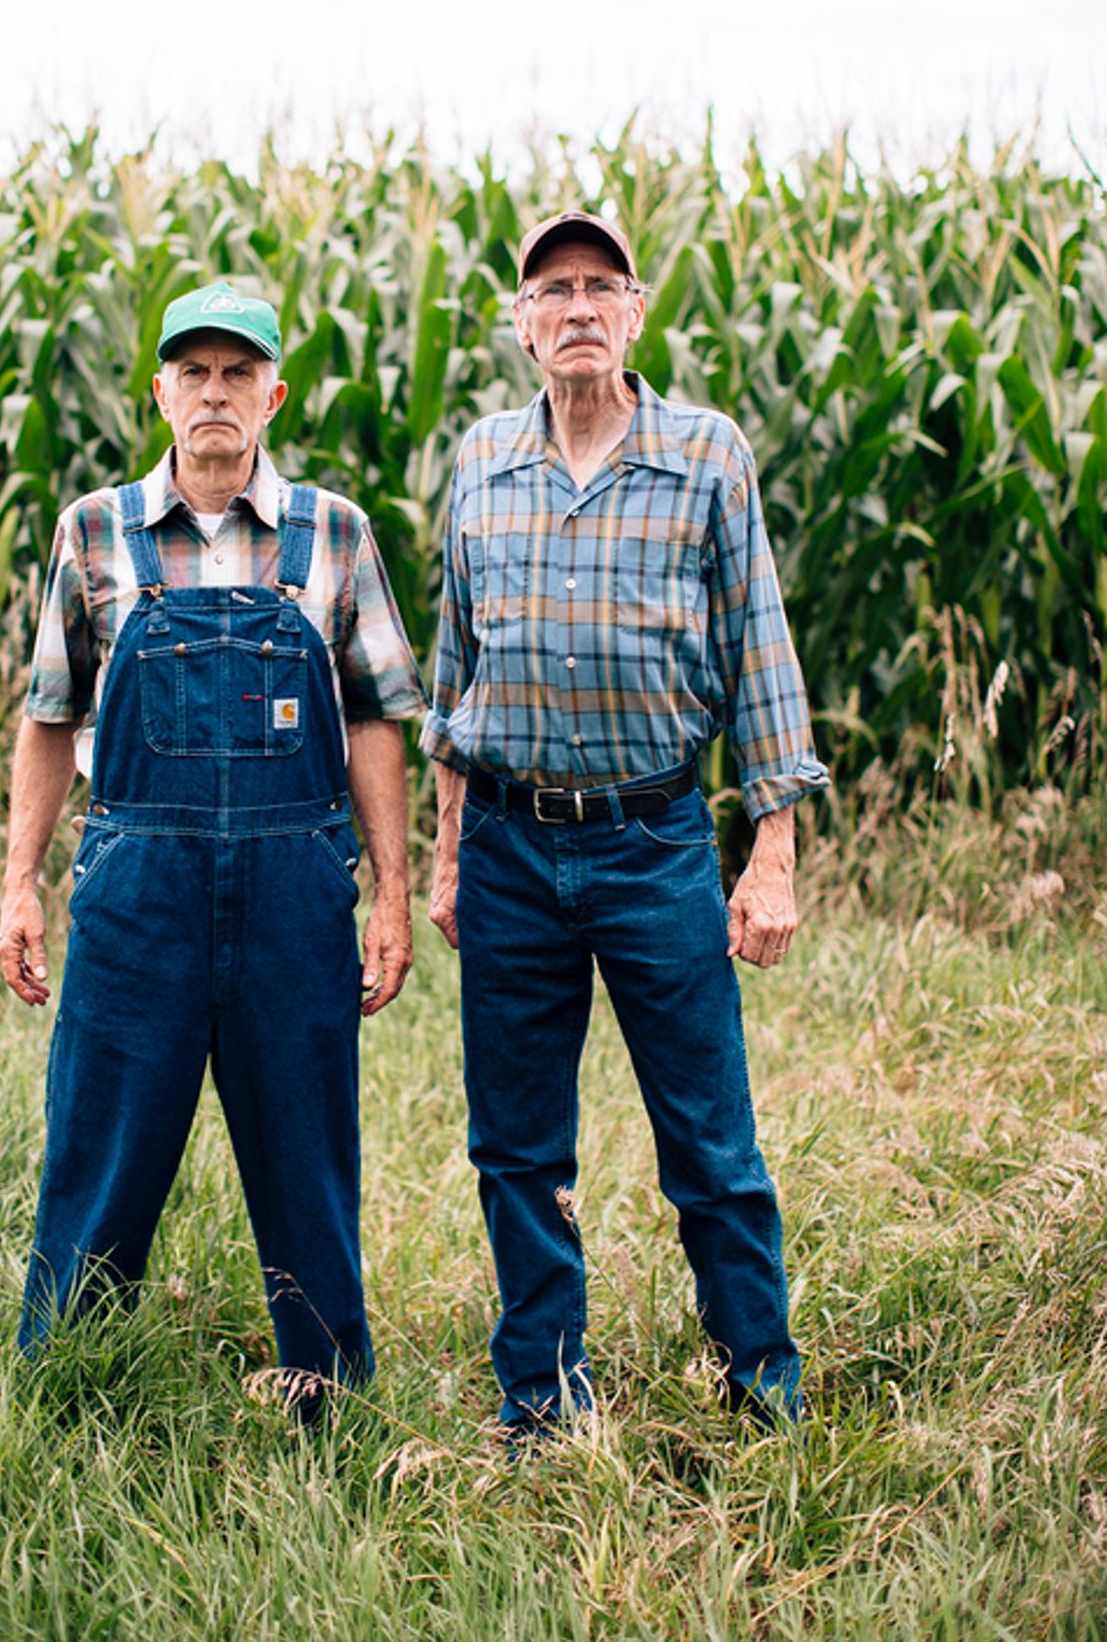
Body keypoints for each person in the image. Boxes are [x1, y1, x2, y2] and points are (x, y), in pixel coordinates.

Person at [424, 210, 828, 1436]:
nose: (579, 307)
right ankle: (539, 1398)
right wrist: (444, 855)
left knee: (708, 1139)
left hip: (652, 845)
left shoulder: (704, 456)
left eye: (602, 286)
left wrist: (770, 853)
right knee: (516, 1146)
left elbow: (758, 649)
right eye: (554, 290)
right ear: (522, 323)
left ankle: (759, 1387)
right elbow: (453, 679)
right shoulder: (481, 462)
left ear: (637, 312)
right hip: (505, 843)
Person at [0, 279, 424, 1409]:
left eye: (238, 374)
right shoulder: (95, 531)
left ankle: (329, 1396)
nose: (215, 394)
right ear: (161, 392)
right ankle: (67, 1391)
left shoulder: (335, 532)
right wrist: (20, 886)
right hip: (138, 889)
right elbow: (48, 716)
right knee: (101, 1144)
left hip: (294, 888)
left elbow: (378, 714)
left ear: (273, 395)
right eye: (194, 372)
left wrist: (390, 892)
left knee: (306, 1152)